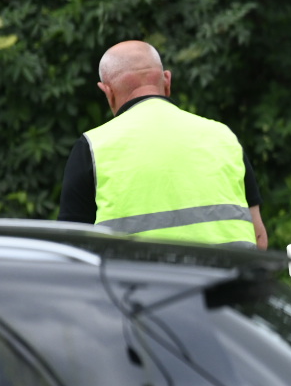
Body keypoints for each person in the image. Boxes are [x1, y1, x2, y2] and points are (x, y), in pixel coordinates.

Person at [57, 41, 267, 249]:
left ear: (107, 91)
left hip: (142, 283)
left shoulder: (93, 148)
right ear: (167, 80)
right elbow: (258, 237)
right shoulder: (223, 136)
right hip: (230, 281)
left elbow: (72, 249)